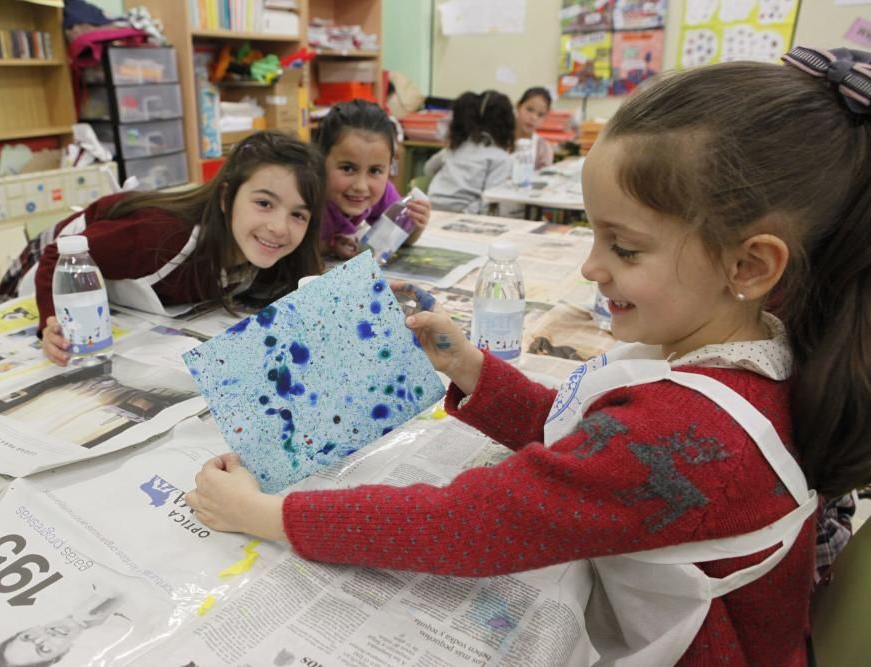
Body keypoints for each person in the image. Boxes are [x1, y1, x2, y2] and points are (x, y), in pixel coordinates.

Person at [186, 47, 871, 665]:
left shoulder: (691, 429)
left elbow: (462, 525)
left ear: (749, 265)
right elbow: (596, 447)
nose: (593, 267)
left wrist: (266, 516)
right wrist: (474, 371)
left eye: (624, 247)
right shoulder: (761, 344)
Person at [0, 131, 326, 366]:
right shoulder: (160, 235)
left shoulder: (278, 256)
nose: (280, 227)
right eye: (265, 203)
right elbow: (60, 257)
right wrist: (50, 322)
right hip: (55, 265)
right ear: (226, 198)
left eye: (298, 214)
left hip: (121, 307)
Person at [318, 100, 431, 260]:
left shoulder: (383, 193)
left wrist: (414, 225)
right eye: (348, 169)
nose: (361, 186)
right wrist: (328, 247)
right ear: (321, 160)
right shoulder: (308, 196)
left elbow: (398, 240)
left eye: (375, 171)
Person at [424, 90, 516, 215]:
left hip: (431, 209)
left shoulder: (458, 146)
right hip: (460, 215)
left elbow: (428, 169)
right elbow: (489, 199)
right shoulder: (501, 158)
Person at [0, 590, 125, 667]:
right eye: (45, 649)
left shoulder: (57, 594)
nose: (46, 635)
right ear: (61, 654)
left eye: (28, 637)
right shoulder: (120, 634)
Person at [514, 86, 555, 170]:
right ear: (518, 106)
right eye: (529, 109)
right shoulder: (500, 139)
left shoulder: (543, 148)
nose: (533, 117)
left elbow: (545, 178)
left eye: (540, 115)